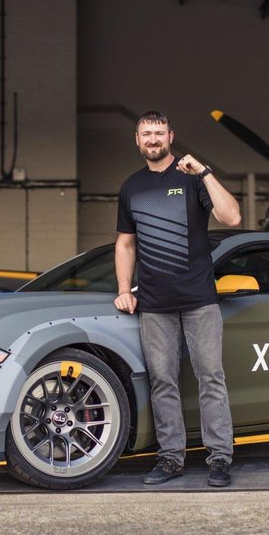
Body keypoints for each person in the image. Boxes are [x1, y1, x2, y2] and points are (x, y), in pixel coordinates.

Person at [114, 110, 241, 487]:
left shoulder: (192, 178)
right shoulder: (131, 187)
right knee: (162, 382)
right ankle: (170, 459)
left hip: (200, 298)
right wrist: (124, 290)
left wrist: (203, 171)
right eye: (145, 134)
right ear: (137, 141)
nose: (152, 139)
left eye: (158, 133)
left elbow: (232, 217)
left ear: (171, 136)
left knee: (211, 378)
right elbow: (125, 243)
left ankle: (219, 458)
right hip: (153, 303)